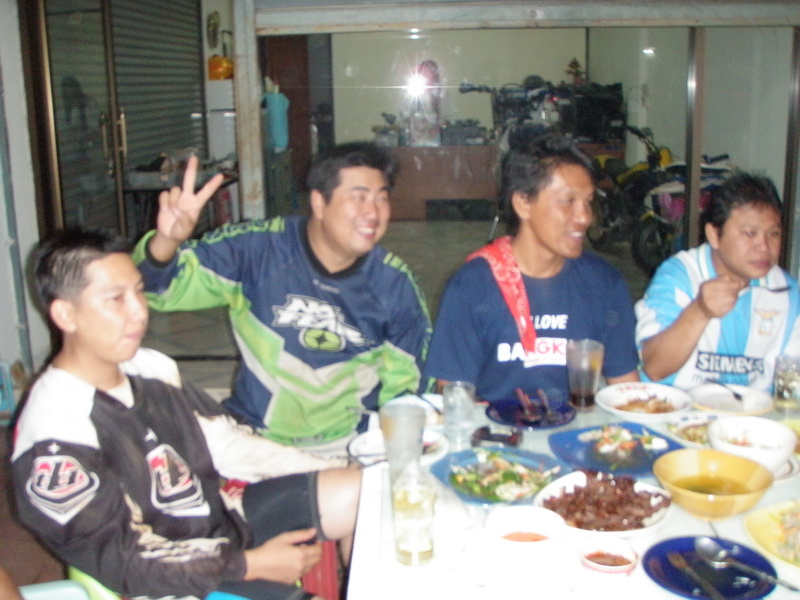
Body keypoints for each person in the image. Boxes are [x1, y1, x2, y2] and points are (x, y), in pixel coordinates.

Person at [12, 229, 361, 600]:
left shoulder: (150, 368)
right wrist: (251, 565)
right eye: (116, 299)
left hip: (221, 529)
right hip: (170, 582)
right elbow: (125, 560)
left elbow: (227, 445)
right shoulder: (53, 434)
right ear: (66, 314)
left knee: (367, 490)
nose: (139, 311)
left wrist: (339, 466)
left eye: (139, 292)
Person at [134, 143, 431, 450]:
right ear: (319, 202)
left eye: (382, 198)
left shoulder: (393, 285)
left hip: (347, 444)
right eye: (359, 197)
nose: (373, 213)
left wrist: (391, 449)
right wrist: (166, 242)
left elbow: (408, 387)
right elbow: (158, 290)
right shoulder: (256, 249)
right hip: (255, 435)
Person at [423, 134, 639, 405]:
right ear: (523, 202)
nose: (585, 217)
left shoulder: (603, 283)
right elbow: (454, 396)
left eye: (588, 201)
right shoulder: (472, 286)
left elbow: (626, 390)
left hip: (580, 427)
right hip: (493, 428)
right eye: (568, 201)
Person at [636, 171, 800, 390]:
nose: (764, 247)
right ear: (714, 235)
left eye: (774, 234)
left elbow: (792, 384)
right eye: (749, 233)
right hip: (674, 405)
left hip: (754, 410)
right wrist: (699, 311)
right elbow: (654, 368)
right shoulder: (680, 276)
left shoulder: (787, 293)